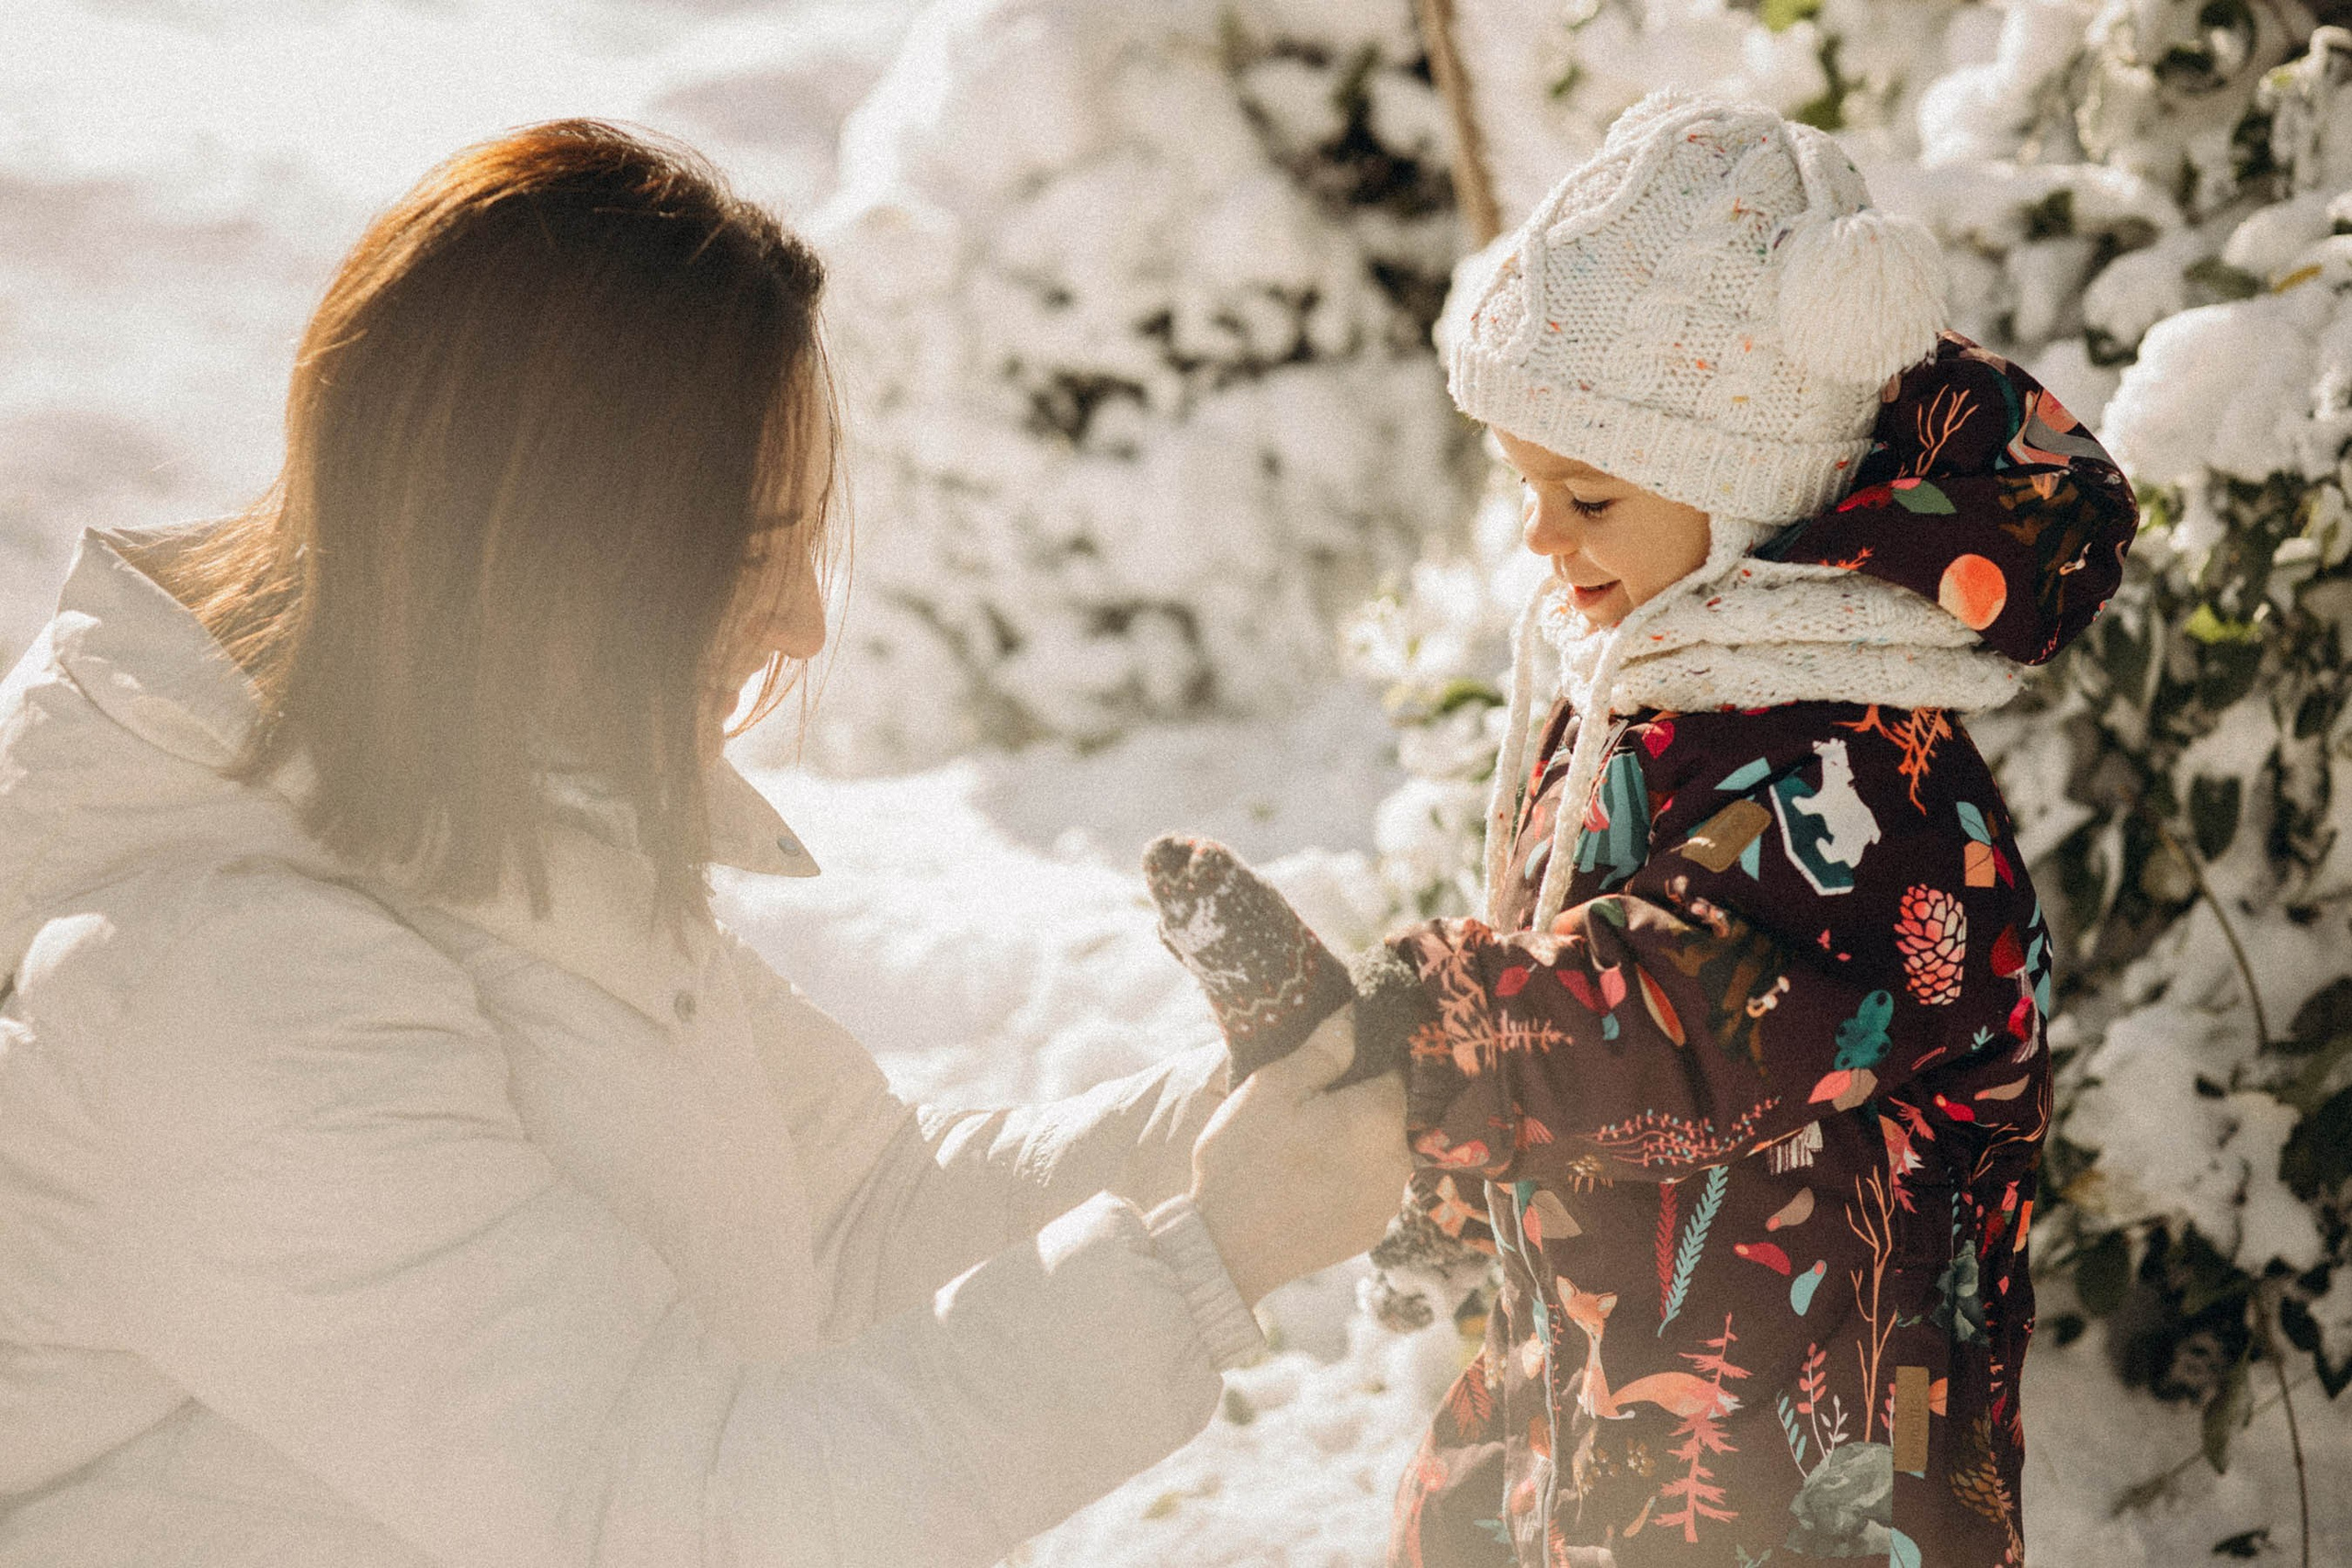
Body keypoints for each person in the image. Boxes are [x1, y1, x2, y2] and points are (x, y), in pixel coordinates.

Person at [0, 120, 1411, 1568]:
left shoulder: (504, 831)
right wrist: (1207, 1259)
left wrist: (1263, 1116)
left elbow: (854, 1226)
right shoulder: (216, 995)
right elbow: (672, 1517)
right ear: (537, 543)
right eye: (743, 550)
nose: (801, 620)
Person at [1142, 92, 2140, 1565]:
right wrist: (1440, 1169)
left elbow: (1681, 1022)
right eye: (1525, 486)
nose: (1541, 536)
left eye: (1590, 497)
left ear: (1744, 494)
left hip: (1812, 1459)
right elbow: (1587, 997)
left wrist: (1426, 1039)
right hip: (1622, 1381)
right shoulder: (1658, 691)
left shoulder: (1862, 776)